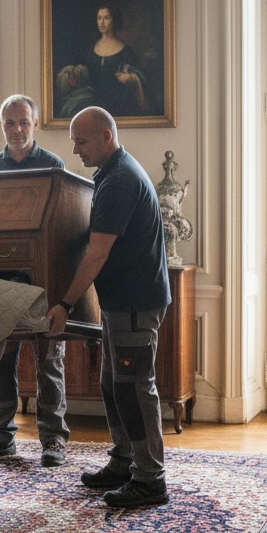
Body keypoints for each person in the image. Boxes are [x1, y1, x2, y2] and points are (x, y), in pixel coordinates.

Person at [46, 107, 171, 508]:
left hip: (134, 301)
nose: (75, 150)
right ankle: (124, 461)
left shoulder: (119, 180)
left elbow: (97, 252)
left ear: (106, 136)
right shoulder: (111, 172)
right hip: (121, 302)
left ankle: (150, 479)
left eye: (81, 141)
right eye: (73, 141)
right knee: (114, 385)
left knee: (134, 389)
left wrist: (66, 303)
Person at [0, 94, 70, 467]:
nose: (17, 130)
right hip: (0, 282)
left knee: (49, 361)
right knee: (1, 360)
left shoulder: (53, 166)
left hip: (43, 280)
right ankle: (0, 436)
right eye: (10, 123)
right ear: (2, 126)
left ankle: (53, 439)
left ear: (35, 124)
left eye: (23, 122)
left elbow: (61, 224)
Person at [85, 3, 150, 116]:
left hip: (120, 104)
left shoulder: (126, 51)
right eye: (99, 18)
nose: (102, 22)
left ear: (114, 20)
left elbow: (142, 75)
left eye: (106, 18)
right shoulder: (92, 49)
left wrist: (130, 78)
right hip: (95, 104)